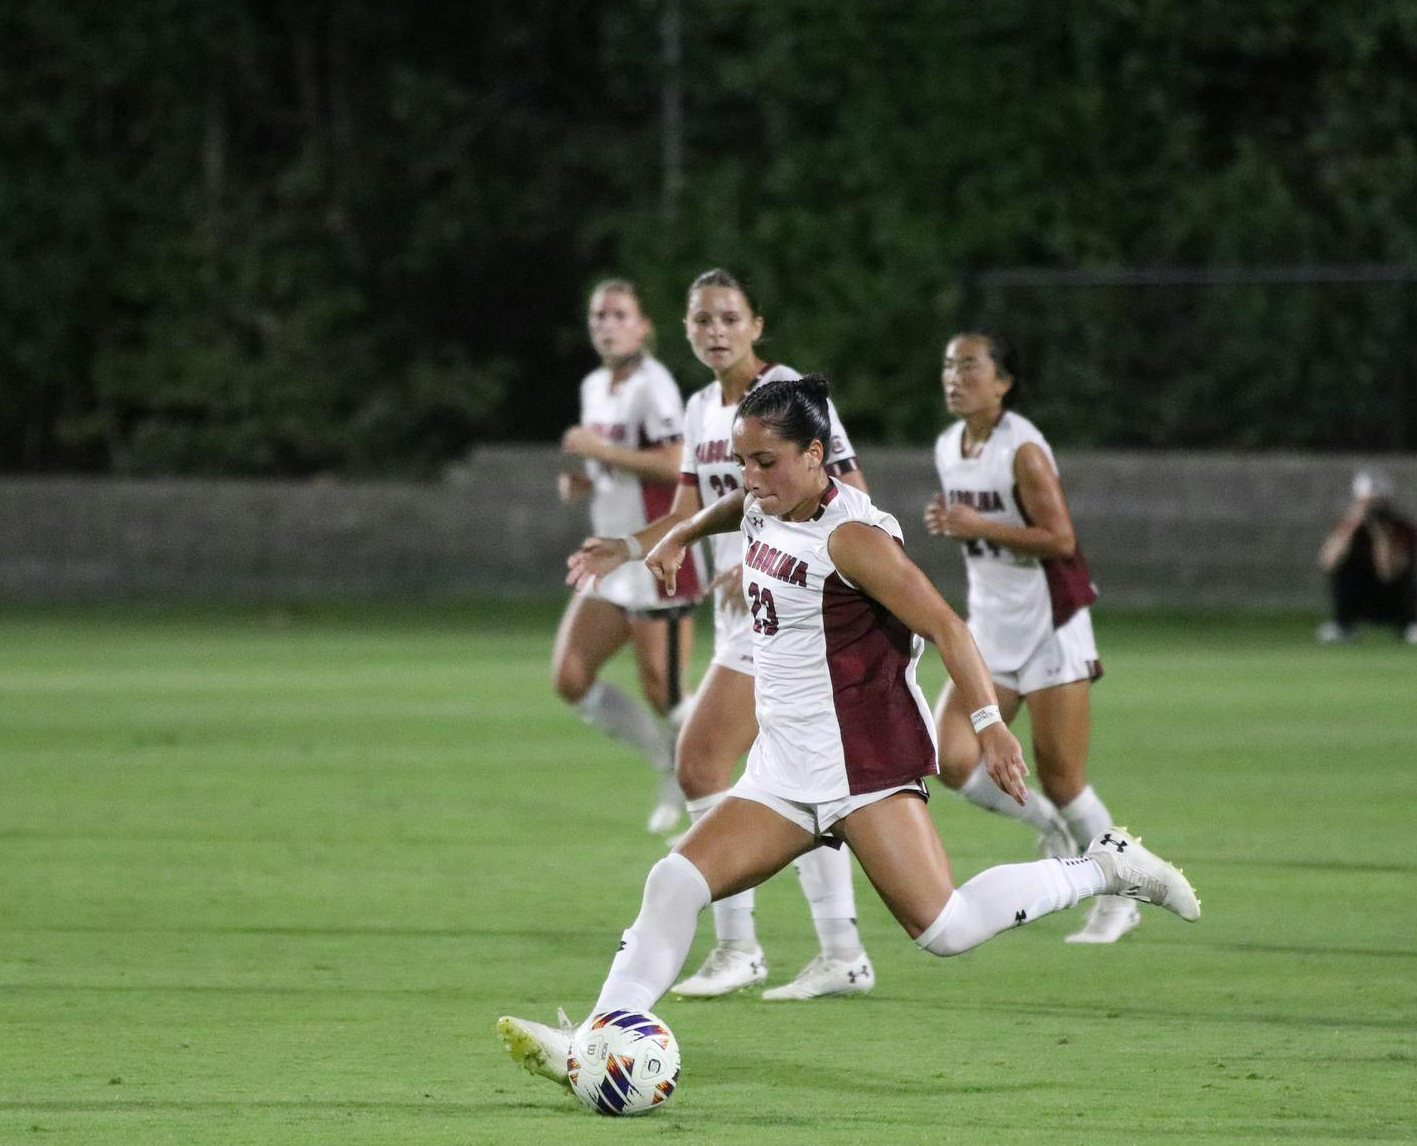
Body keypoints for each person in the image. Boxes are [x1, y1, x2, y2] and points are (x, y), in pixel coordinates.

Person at [496, 378, 1200, 1086]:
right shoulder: (768, 500)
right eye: (742, 461)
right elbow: (736, 504)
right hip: (784, 764)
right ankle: (595, 1041)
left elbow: (948, 627)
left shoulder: (853, 538)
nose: (750, 478)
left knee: (945, 928)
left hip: (860, 763)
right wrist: (682, 532)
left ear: (815, 454)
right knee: (674, 880)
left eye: (766, 461)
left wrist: (990, 725)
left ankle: (1108, 867)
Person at [566, 271, 876, 1001]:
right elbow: (688, 511)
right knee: (797, 781)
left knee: (701, 760)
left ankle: (741, 947)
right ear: (685, 328)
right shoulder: (703, 406)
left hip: (794, 606)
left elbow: (852, 494)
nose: (716, 331)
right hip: (745, 615)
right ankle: (840, 951)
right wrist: (629, 547)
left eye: (729, 318)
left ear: (756, 326)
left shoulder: (789, 394)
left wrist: (773, 548)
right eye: (703, 319)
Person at [922, 333, 1139, 944]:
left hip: (1049, 627)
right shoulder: (948, 446)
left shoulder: (1023, 449)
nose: (955, 377)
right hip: (990, 627)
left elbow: (1061, 539)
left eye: (970, 366)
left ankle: (1123, 893)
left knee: (1062, 776)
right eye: (949, 365)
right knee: (949, 756)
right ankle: (1049, 827)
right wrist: (959, 526)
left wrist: (977, 524)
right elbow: (979, 530)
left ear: (1004, 382)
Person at [552, 279, 700, 834]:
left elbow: (675, 464)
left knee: (667, 694)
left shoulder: (653, 385)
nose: (607, 325)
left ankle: (727, 781)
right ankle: (667, 760)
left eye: (619, 315)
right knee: (571, 676)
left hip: (655, 556)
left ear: (642, 327)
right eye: (599, 316)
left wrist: (601, 451)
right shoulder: (595, 385)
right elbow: (619, 466)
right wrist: (588, 479)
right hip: (610, 559)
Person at [1317, 469, 1417, 644]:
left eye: (1377, 502)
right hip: (1358, 596)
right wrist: (1351, 525)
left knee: (1404, 577)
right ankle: (1344, 626)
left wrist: (1381, 535)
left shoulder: (1403, 528)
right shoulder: (1347, 526)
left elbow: (1388, 571)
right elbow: (1327, 562)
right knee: (1343, 569)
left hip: (1390, 597)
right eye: (1368, 503)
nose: (1372, 508)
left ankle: (1408, 626)